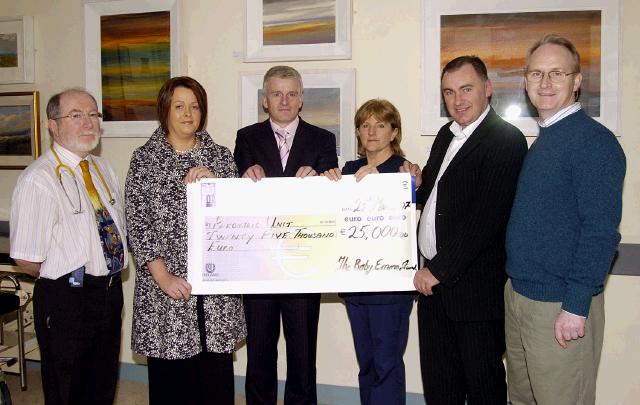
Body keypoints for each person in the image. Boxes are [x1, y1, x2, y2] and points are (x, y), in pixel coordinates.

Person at [505, 34, 626, 405]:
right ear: (525, 81)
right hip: (520, 297)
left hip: (558, 307)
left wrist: (575, 306)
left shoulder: (594, 142)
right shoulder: (544, 140)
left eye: (556, 73)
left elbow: (600, 233)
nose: (545, 83)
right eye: (536, 73)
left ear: (576, 82)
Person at [413, 56, 528, 405]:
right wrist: (410, 180)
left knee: (484, 388)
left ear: (487, 88)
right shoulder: (446, 136)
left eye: (467, 89)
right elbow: (434, 192)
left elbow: (486, 218)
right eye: (449, 92)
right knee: (440, 387)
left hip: (474, 292)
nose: (458, 99)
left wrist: (437, 270)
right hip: (434, 291)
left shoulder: (506, 140)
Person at [126, 76, 246, 405]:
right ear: (165, 110)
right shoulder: (144, 159)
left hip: (214, 292)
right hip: (166, 287)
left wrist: (217, 185)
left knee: (214, 382)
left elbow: (239, 219)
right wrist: (162, 276)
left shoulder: (220, 157)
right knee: (172, 384)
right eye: (179, 106)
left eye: (194, 106)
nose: (187, 114)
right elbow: (138, 224)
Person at [10, 89, 127, 405]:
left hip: (109, 293)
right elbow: (26, 257)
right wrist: (68, 276)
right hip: (68, 298)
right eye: (76, 116)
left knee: (102, 384)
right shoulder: (39, 179)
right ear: (53, 125)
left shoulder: (103, 169)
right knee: (67, 388)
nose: (89, 123)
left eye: (93, 115)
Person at [233, 65, 337, 405]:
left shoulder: (323, 140)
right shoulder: (246, 137)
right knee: (259, 353)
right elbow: (234, 198)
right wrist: (244, 174)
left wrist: (322, 178)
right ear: (265, 100)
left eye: (292, 93)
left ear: (302, 99)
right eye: (276, 93)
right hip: (258, 265)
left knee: (303, 355)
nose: (284, 100)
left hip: (304, 265)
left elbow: (331, 201)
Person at [322, 99, 418, 405]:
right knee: (367, 363)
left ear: (394, 132)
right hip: (355, 282)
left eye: (380, 125)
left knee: (387, 363)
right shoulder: (348, 170)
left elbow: (411, 203)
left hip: (390, 285)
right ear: (358, 133)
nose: (372, 131)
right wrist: (325, 185)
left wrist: (386, 188)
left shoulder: (404, 171)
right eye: (365, 125)